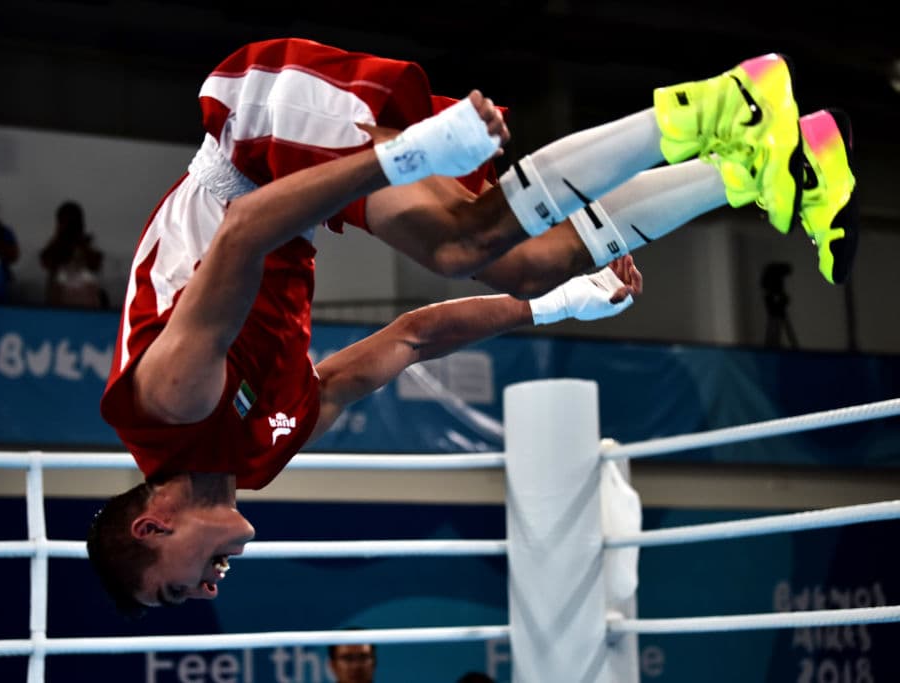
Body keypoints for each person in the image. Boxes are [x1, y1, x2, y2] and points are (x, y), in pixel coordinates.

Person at [86, 38, 857, 615]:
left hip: (252, 142)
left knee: (460, 242)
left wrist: (406, 158)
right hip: (295, 195)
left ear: (153, 529)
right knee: (530, 264)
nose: (203, 592)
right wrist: (552, 308)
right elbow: (411, 338)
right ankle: (761, 168)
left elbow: (247, 225)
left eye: (172, 593)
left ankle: (725, 103)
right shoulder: (262, 451)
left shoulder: (169, 405)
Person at [39, 200, 108, 309]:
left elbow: (96, 264)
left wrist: (80, 242)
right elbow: (46, 263)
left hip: (88, 304)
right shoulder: (56, 244)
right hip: (60, 303)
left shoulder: (89, 243)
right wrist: (60, 239)